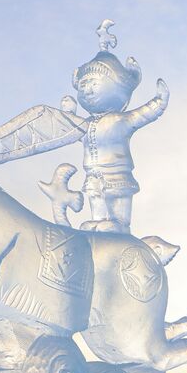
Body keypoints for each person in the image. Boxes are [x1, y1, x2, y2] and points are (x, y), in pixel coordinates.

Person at [68, 22, 168, 233]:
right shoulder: (85, 125)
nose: (87, 90)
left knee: (117, 197)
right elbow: (70, 132)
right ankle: (97, 220)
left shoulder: (120, 120)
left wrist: (159, 101)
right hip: (93, 172)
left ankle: (119, 224)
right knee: (95, 196)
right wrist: (68, 115)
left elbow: (144, 114)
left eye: (93, 84)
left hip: (117, 173)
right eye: (83, 86)